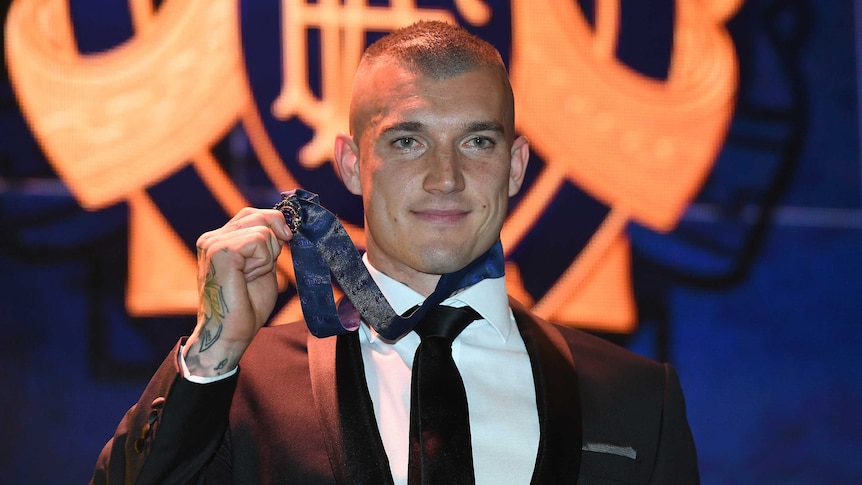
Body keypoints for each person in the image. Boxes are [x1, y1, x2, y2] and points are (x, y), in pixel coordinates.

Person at [91, 20, 699, 484]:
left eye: (478, 141)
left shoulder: (639, 399)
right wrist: (213, 350)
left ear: (514, 167)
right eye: (408, 141)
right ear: (352, 165)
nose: (445, 177)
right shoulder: (246, 382)